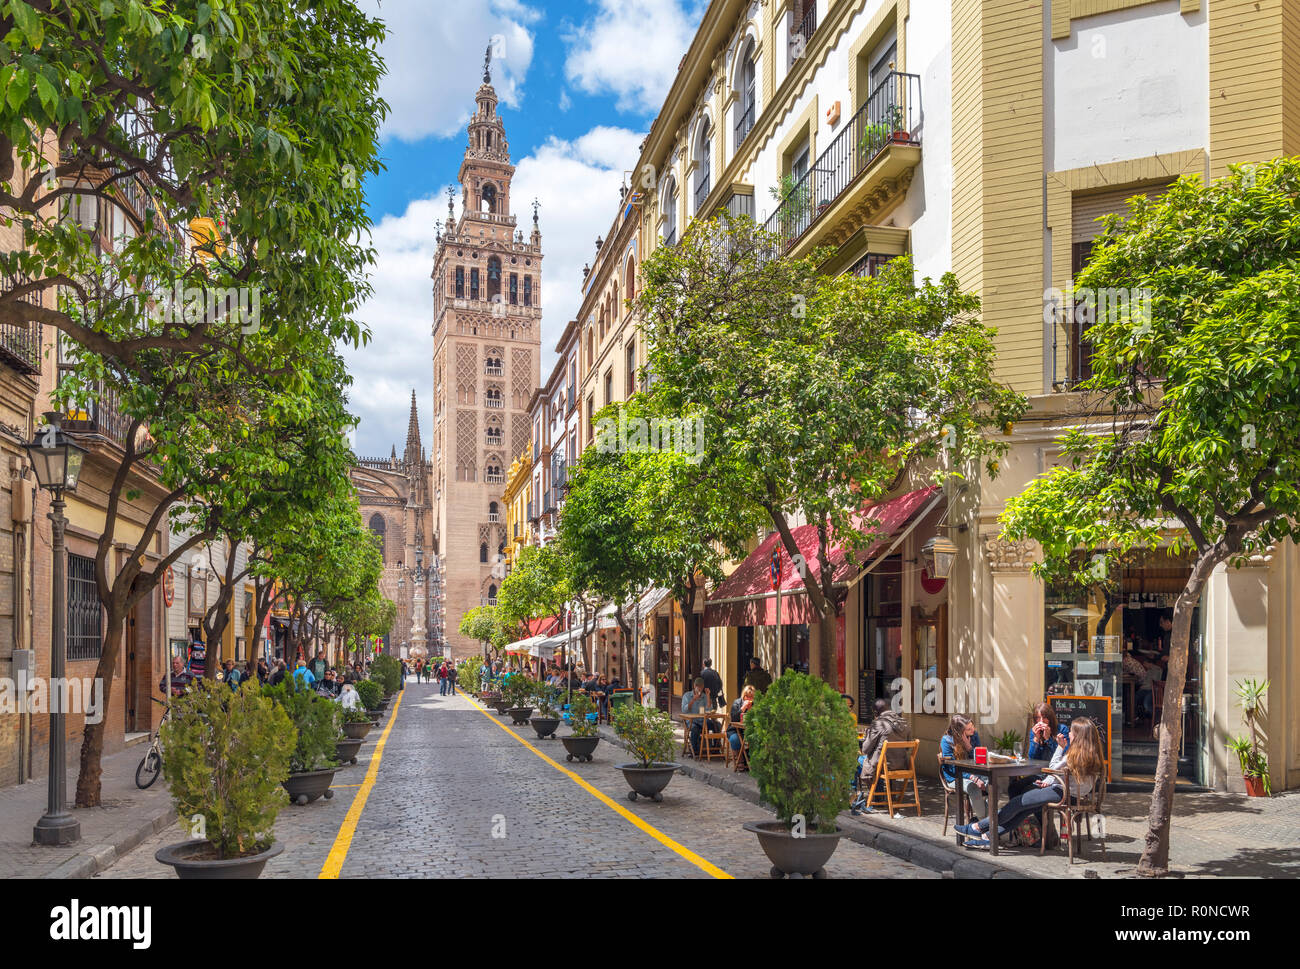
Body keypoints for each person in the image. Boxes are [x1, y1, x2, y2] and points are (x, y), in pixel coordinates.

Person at [956, 717, 1105, 848]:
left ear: (1078, 737)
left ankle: (977, 827)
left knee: (1017, 803)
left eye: (1072, 732)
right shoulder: (1092, 756)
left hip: (1062, 792)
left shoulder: (1072, 755)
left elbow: (1052, 768)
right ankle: (989, 836)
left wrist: (1060, 747)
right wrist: (1048, 781)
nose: (1069, 734)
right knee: (1024, 809)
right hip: (1075, 795)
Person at [856, 699, 913, 809]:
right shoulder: (904, 723)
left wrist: (867, 736)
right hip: (902, 764)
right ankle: (890, 795)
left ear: (876, 713)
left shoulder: (878, 724)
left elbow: (866, 749)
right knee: (882, 760)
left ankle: (877, 796)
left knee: (860, 760)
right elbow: (907, 747)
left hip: (883, 765)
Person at [1009, 702, 1068, 797]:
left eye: (1044, 717)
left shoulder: (1061, 729)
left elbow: (1063, 756)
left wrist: (1049, 739)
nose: (1041, 721)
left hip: (1055, 775)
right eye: (1037, 718)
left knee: (1029, 791)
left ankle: (1035, 811)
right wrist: (1036, 739)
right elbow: (1032, 758)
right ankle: (1015, 811)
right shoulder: (1034, 731)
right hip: (1039, 773)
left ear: (1050, 718)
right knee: (1014, 787)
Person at [940, 714, 988, 823]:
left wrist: (970, 748)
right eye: (969, 729)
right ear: (959, 731)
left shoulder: (974, 736)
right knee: (973, 787)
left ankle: (988, 822)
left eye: (973, 727)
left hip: (975, 773)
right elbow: (952, 768)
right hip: (955, 777)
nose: (973, 730)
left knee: (994, 784)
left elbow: (980, 760)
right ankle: (984, 823)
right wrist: (973, 778)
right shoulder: (947, 740)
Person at [681, 677, 712, 757]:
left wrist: (708, 696)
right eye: (697, 686)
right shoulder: (687, 696)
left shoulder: (704, 696)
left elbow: (709, 709)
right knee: (695, 729)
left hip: (702, 720)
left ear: (703, 687)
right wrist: (693, 700)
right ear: (694, 686)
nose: (699, 688)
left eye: (701, 686)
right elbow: (684, 710)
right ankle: (694, 751)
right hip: (691, 720)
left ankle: (714, 748)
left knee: (716, 725)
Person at [726, 685, 756, 763]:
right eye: (747, 696)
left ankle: (751, 761)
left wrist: (751, 710)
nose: (748, 699)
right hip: (735, 730)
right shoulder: (737, 703)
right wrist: (743, 708)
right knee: (735, 739)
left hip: (749, 730)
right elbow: (734, 718)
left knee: (756, 739)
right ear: (743, 695)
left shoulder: (755, 705)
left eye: (751, 697)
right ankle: (741, 761)